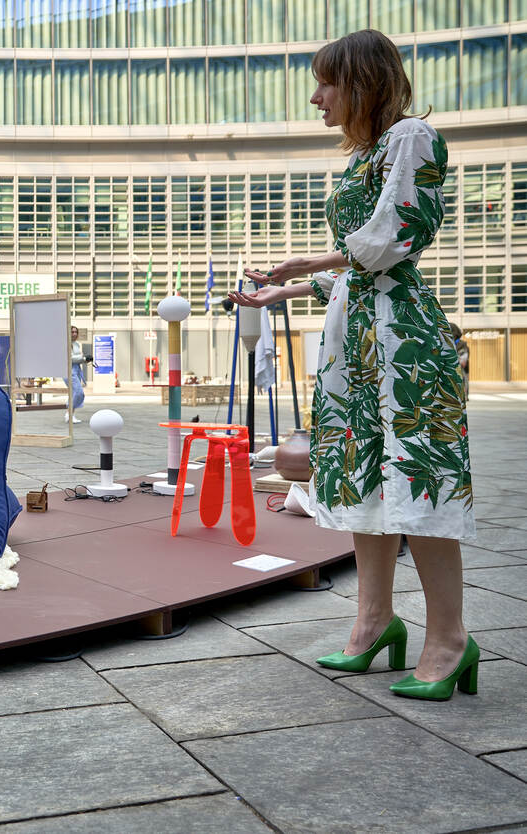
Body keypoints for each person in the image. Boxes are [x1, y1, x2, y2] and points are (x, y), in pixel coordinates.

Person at [228, 29, 477, 701]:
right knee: (362, 479)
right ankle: (374, 621)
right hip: (359, 338)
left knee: (419, 480)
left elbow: (394, 239)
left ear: (362, 82)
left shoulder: (411, 137)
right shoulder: (369, 153)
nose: (317, 97)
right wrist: (287, 289)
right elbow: (363, 266)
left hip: (403, 346)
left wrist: (311, 261)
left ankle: (450, 639)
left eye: (326, 83)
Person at [67, 326, 85, 423]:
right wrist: (83, 358)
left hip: (76, 369)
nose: (74, 334)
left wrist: (85, 359)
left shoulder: (77, 344)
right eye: (72, 332)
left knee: (74, 393)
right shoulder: (66, 344)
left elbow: (78, 357)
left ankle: (70, 414)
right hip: (69, 370)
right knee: (78, 392)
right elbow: (70, 358)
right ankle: (69, 413)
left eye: (76, 332)